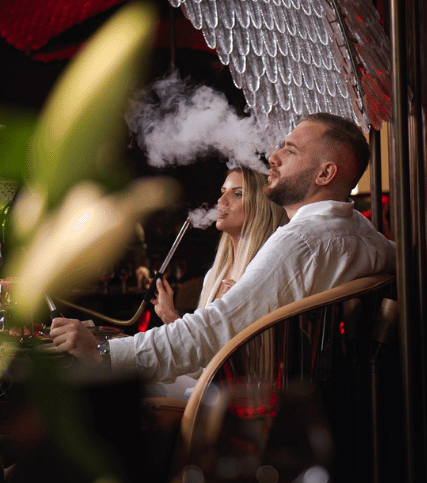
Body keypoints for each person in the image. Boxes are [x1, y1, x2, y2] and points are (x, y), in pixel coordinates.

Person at [50, 113, 396, 382]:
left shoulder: (300, 242)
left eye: (290, 151)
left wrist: (104, 352)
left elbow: (213, 332)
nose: (273, 157)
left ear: (325, 174)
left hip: (246, 407)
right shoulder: (364, 235)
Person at [151, 166, 288, 325]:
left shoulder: (265, 274)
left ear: (260, 207)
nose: (221, 200)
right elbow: (204, 338)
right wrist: (169, 316)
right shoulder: (212, 276)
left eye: (237, 194)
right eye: (223, 192)